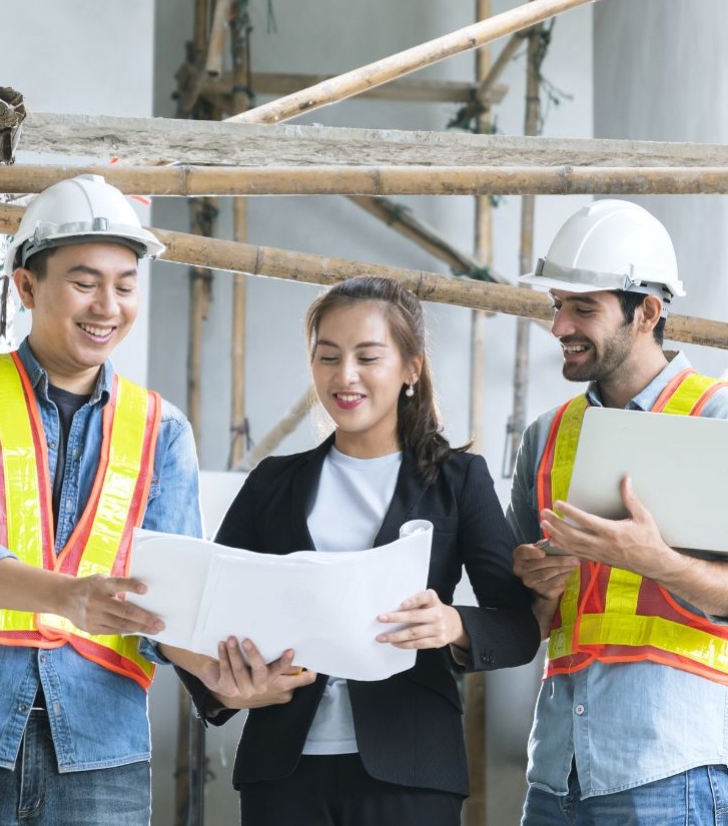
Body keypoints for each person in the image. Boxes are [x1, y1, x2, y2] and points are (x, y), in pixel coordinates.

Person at [170, 275, 541, 826]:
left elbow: (518, 627)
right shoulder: (273, 481)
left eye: (368, 357)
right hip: (282, 770)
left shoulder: (459, 480)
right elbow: (204, 611)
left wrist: (453, 626)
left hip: (412, 768)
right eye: (328, 357)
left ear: (411, 367)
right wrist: (228, 689)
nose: (345, 376)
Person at [509, 198, 728, 825]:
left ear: (648, 313)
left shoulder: (716, 419)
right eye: (557, 305)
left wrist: (655, 561)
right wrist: (534, 590)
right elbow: (518, 618)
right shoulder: (544, 436)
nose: (559, 326)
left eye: (583, 307)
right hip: (555, 773)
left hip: (669, 765)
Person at [0, 174, 203, 826]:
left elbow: (177, 599)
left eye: (124, 284)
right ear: (26, 286)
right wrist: (66, 597)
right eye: (85, 283)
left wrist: (233, 675)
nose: (107, 306)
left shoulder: (161, 430)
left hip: (101, 751)